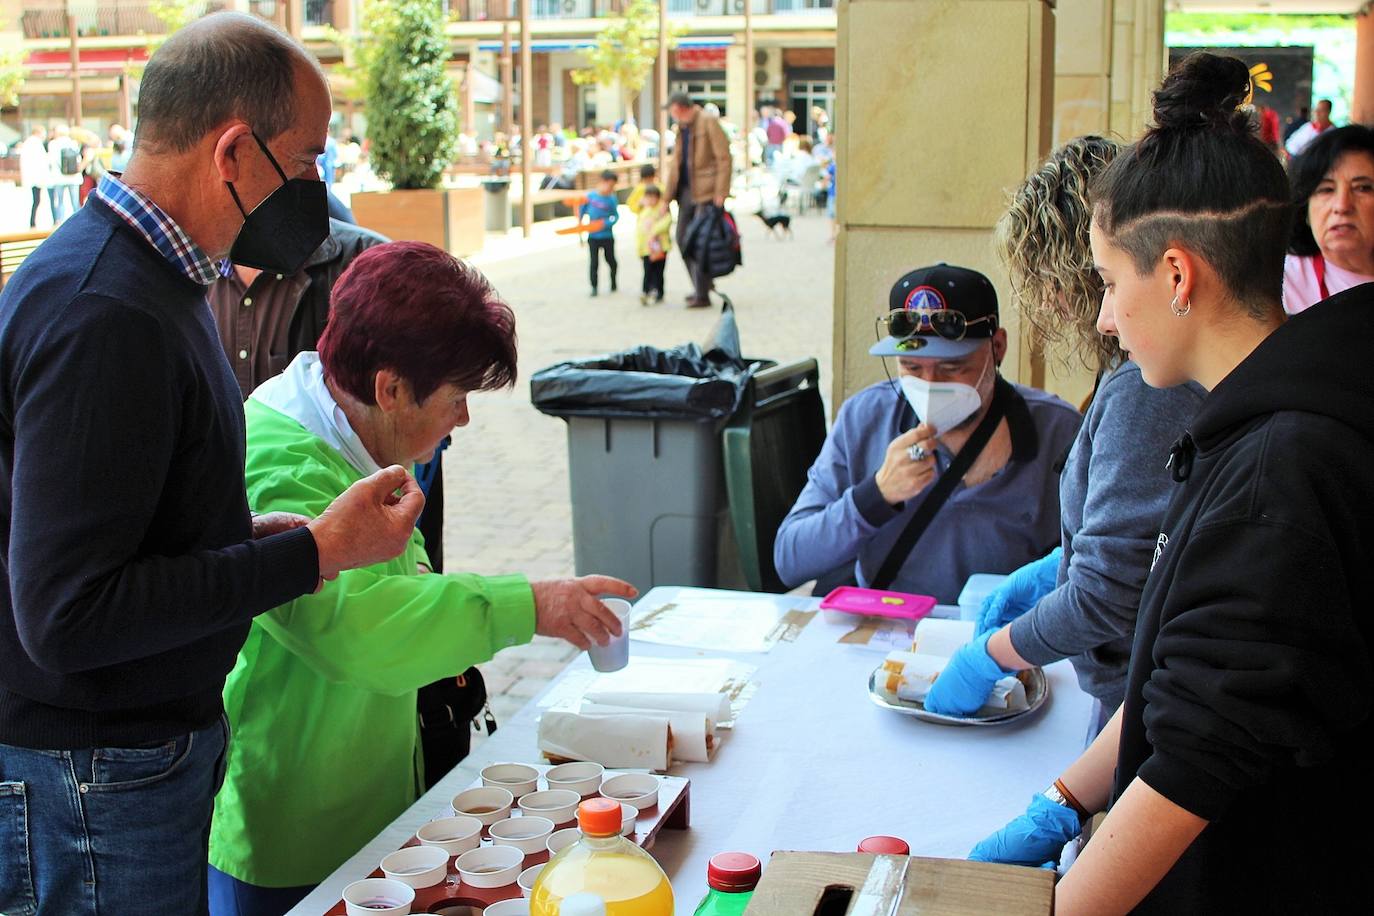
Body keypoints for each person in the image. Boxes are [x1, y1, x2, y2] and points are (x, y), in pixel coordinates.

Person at [0, 14, 426, 915]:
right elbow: (70, 615)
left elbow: (132, 523)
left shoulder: (161, 278)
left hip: (132, 758)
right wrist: (310, 554)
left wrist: (243, 537)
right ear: (234, 152)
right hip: (93, 777)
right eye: (308, 161)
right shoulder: (104, 312)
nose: (318, 186)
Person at [971, 52, 1372, 913]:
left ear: (1180, 276)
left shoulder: (1279, 475)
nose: (1107, 314)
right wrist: (1066, 798)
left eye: (1114, 282)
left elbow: (1199, 755)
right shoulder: (1249, 421)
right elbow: (1184, 667)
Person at [207, 241, 634, 915]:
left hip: (372, 805)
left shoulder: (364, 433)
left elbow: (409, 594)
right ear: (391, 388)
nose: (463, 419)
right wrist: (532, 606)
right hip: (291, 835)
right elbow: (361, 628)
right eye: (458, 396)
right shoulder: (279, 458)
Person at [922, 137, 1205, 720]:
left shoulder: (1146, 386)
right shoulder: (1133, 374)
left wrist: (991, 656)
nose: (1047, 303)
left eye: (1049, 280)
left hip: (1140, 696)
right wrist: (1055, 571)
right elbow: (1135, 546)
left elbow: (1109, 592)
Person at [774, 264, 1081, 603]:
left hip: (999, 635)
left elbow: (1088, 569)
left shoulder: (1058, 431)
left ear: (997, 347)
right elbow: (790, 558)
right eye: (912, 367)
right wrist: (875, 497)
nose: (930, 385)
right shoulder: (865, 417)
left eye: (953, 367)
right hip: (884, 628)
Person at [1282, 124, 1374, 314]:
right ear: (1305, 209)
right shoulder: (1279, 285)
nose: (1342, 206)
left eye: (1362, 188)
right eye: (1326, 189)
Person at [661, 91, 732, 309]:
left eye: (673, 111)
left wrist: (721, 190)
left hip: (706, 192)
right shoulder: (682, 128)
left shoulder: (708, 122)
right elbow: (676, 165)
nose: (673, 115)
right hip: (685, 193)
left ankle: (702, 292)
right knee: (683, 239)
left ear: (680, 107)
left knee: (699, 243)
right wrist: (666, 198)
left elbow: (724, 158)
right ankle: (702, 285)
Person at [580, 169, 620, 297]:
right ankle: (594, 287)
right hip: (593, 236)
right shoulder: (590, 197)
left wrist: (607, 223)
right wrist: (581, 231)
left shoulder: (612, 199)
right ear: (603, 182)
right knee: (594, 263)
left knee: (611, 260)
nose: (611, 188)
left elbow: (615, 215)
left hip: (607, 236)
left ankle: (613, 282)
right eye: (610, 185)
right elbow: (581, 212)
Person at [636, 184, 672, 305]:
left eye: (653, 197)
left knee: (659, 272)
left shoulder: (662, 210)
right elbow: (640, 232)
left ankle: (659, 292)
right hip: (647, 249)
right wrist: (639, 249)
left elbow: (666, 222)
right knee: (647, 272)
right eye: (648, 197)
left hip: (660, 248)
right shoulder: (644, 212)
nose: (651, 200)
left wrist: (653, 230)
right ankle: (645, 292)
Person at [45, 124, 82, 224]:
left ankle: (59, 222)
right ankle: (78, 222)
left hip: (58, 177)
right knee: (75, 202)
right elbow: (78, 159)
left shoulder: (53, 144)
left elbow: (50, 160)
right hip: (74, 177)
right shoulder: (73, 143)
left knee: (60, 201)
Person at [19, 126, 49, 228]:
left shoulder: (28, 143)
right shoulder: (35, 143)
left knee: (36, 200)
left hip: (31, 176)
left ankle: (32, 221)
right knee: (36, 200)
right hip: (36, 177)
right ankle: (32, 222)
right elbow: (41, 161)